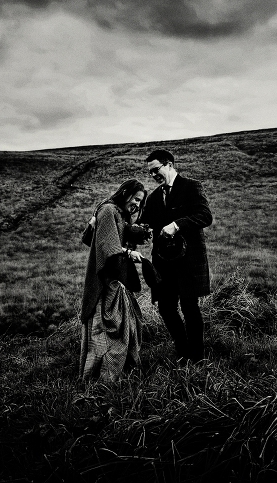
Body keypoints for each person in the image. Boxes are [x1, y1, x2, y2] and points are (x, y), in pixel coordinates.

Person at [142, 149, 212, 364]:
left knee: (190, 307)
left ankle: (198, 358)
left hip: (188, 262)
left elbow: (205, 216)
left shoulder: (191, 187)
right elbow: (146, 224)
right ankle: (183, 352)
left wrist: (177, 225)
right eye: (151, 173)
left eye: (156, 170)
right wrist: (141, 230)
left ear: (169, 164)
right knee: (165, 307)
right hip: (163, 264)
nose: (154, 176)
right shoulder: (154, 197)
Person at [79, 178, 150, 384]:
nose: (137, 203)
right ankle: (104, 378)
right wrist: (128, 252)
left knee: (124, 324)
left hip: (115, 279)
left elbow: (102, 235)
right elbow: (107, 247)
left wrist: (133, 231)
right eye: (135, 198)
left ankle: (119, 369)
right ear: (125, 192)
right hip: (106, 280)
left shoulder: (116, 213)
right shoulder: (109, 210)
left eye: (140, 201)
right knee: (109, 328)